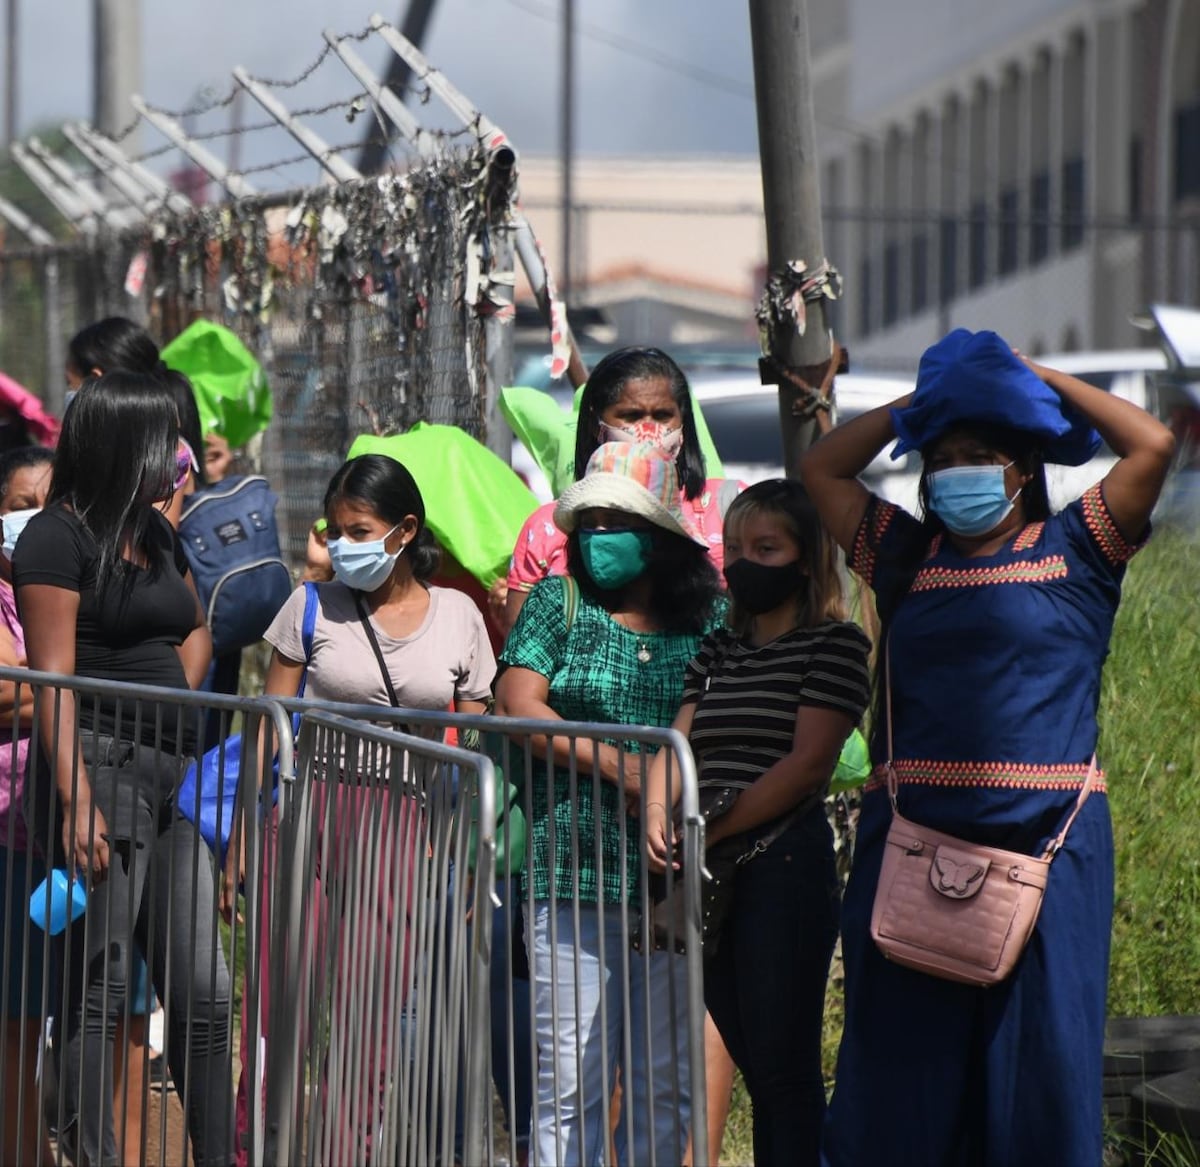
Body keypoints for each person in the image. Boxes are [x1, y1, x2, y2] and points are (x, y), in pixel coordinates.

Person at [800, 329, 1176, 1166]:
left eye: (981, 451)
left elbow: (1151, 441)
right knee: (898, 1093)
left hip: (1050, 862)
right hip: (908, 859)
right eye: (944, 457)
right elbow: (820, 469)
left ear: (1022, 470)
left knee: (1038, 1087)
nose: (958, 469)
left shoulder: (1080, 551)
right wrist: (932, 401)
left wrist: (1029, 379)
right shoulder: (904, 558)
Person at [221, 453, 497, 1164]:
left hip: (407, 825)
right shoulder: (310, 603)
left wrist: (466, 845)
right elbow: (268, 723)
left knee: (370, 1022)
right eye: (336, 529)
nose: (344, 543)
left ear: (405, 530)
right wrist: (245, 834)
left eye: (360, 529)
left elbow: (480, 744)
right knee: (277, 1008)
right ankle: (259, 1150)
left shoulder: (460, 616)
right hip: (308, 810)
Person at [14, 372, 234, 1167]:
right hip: (99, 771)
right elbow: (54, 684)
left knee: (205, 992)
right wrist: (77, 799)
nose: (176, 457)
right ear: (120, 443)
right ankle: (90, 1151)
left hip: (174, 776)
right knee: (100, 988)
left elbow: (194, 624)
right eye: (161, 439)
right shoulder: (55, 538)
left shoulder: (158, 532)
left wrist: (176, 694)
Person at [495, 441, 724, 1167]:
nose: (596, 536)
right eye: (587, 520)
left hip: (670, 883)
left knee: (664, 1081)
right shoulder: (555, 603)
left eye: (615, 521)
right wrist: (628, 771)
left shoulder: (709, 618)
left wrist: (662, 783)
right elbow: (519, 703)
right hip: (573, 873)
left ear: (657, 537)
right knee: (570, 1083)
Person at [645, 479, 871, 1167]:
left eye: (765, 547)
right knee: (744, 1047)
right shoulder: (718, 649)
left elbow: (807, 765)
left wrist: (712, 824)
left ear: (805, 559)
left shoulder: (835, 645)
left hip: (780, 863)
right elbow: (677, 745)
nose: (745, 562)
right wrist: (658, 806)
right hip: (710, 870)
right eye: (735, 547)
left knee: (782, 1070)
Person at [0, 447, 55, 1167]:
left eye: (49, 503)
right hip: (10, 826)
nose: (33, 519)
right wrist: (69, 686)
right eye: (20, 504)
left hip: (70, 827)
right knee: (15, 1009)